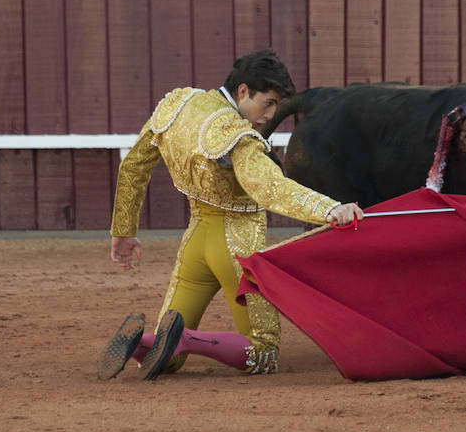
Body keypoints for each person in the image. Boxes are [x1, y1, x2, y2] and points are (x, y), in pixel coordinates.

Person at [99, 50, 364, 380]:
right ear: (243, 91)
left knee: (166, 357)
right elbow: (268, 186)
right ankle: (186, 339)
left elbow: (134, 165)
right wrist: (329, 209)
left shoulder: (179, 104)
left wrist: (123, 229)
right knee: (263, 352)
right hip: (237, 250)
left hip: (196, 242)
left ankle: (139, 342)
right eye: (267, 103)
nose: (269, 115)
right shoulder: (236, 135)